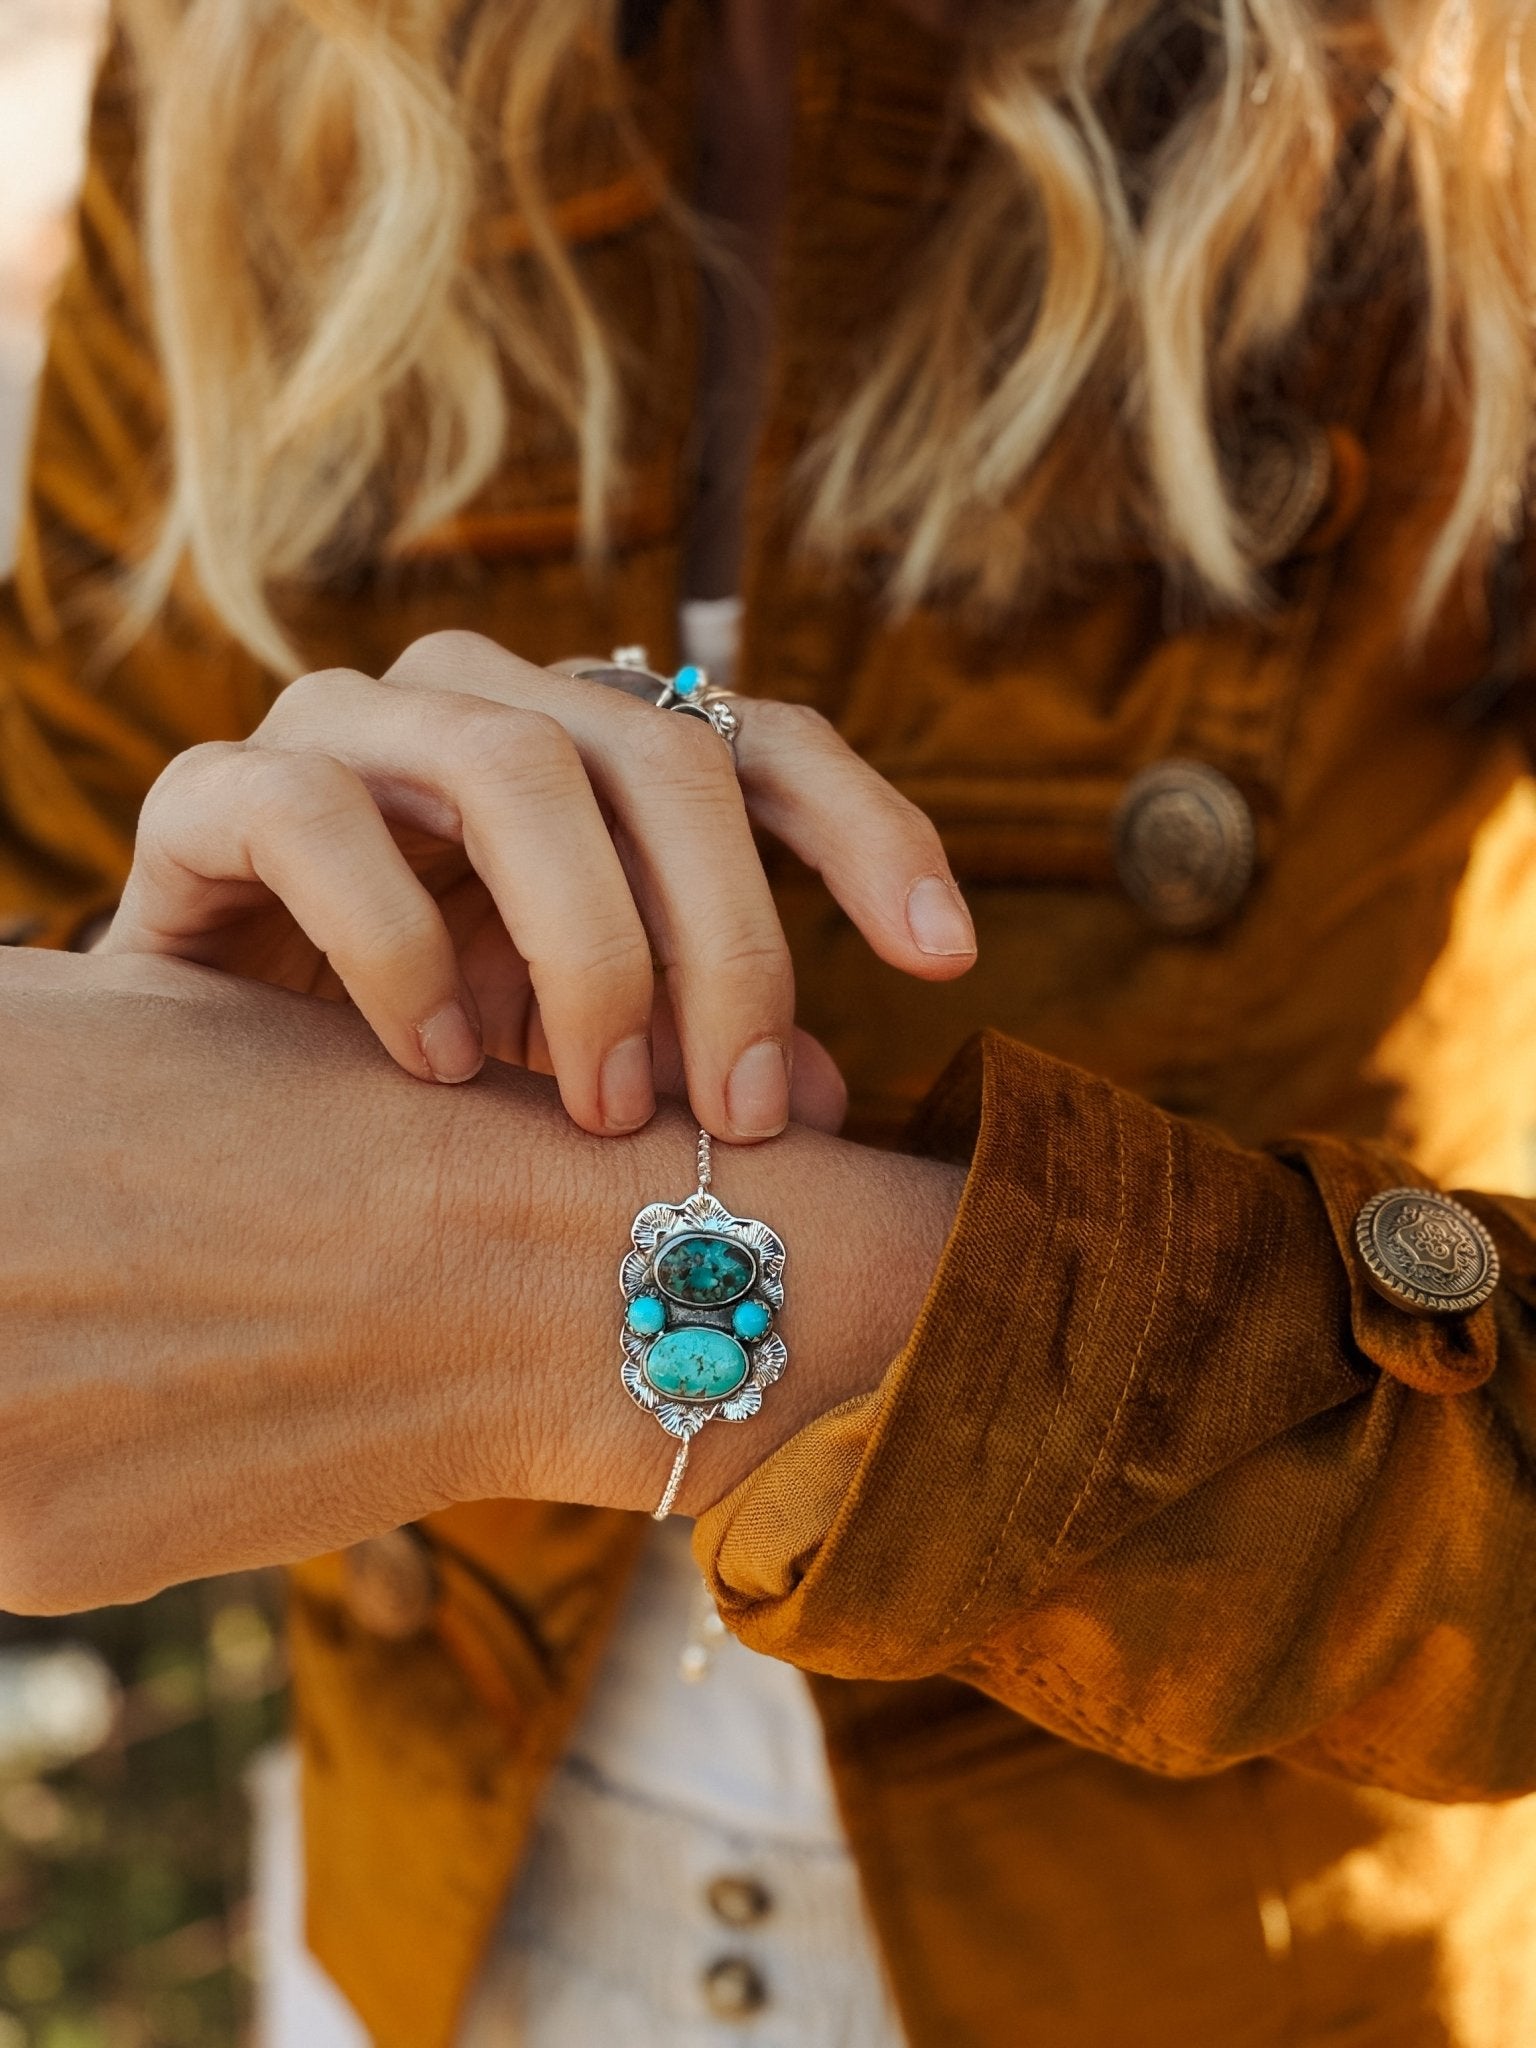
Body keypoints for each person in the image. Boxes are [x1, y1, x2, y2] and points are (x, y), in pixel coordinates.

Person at [4, 0, 1536, 2041]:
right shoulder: (236, 71)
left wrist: (601, 1305)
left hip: (1237, 1970)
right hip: (430, 1937)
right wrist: (185, 1021)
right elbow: (54, 910)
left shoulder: (1469, 110)